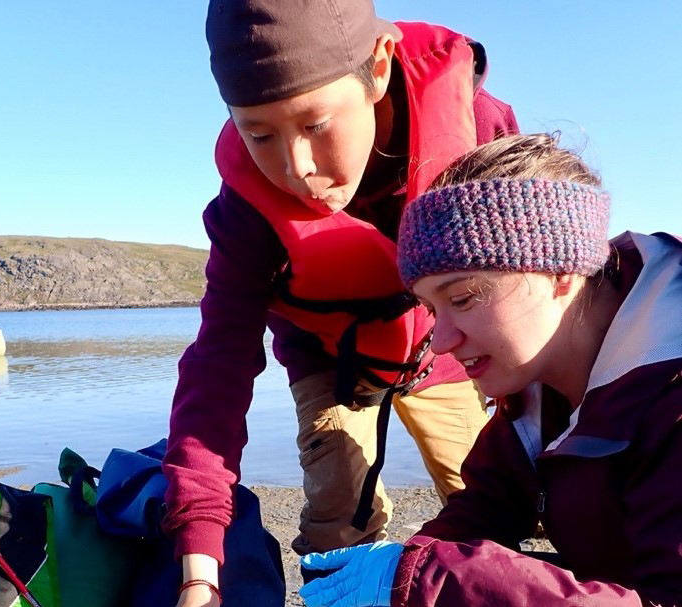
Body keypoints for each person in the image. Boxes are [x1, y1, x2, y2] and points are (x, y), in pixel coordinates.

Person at [162, 1, 519, 604]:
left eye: (316, 124)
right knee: (336, 516)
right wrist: (200, 565)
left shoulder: (479, 131)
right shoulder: (245, 212)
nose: (296, 168)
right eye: (260, 134)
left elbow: (535, 301)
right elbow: (217, 369)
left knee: (490, 503)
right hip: (328, 362)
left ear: (378, 68)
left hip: (447, 348)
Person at [298, 133, 682, 607]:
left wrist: (434, 584)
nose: (438, 344)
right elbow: (484, 506)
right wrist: (410, 563)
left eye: (463, 298)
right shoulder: (535, 391)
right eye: (432, 310)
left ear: (563, 272)